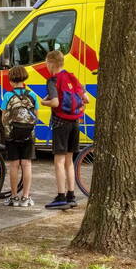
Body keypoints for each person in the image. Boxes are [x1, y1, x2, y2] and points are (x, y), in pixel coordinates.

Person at [42, 50, 89, 209]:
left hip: (60, 122)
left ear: (51, 63)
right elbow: (86, 99)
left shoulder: (53, 80)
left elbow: (55, 103)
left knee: (59, 161)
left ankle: (61, 196)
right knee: (69, 161)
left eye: (46, 63)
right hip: (75, 122)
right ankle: (71, 195)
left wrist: (43, 103)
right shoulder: (71, 76)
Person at [0, 65, 38, 206]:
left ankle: (14, 197)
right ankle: (26, 198)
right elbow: (36, 117)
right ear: (25, 78)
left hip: (12, 135)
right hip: (28, 134)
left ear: (11, 81)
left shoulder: (8, 96)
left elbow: (3, 117)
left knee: (14, 165)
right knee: (26, 164)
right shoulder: (32, 95)